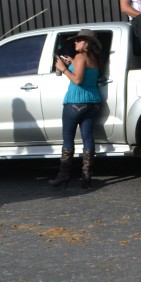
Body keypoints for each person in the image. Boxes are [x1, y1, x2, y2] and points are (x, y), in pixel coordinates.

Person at [51, 29, 104, 189]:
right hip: (92, 103)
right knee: (88, 138)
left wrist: (63, 68)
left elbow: (78, 80)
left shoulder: (81, 57)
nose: (75, 42)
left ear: (87, 43)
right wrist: (71, 62)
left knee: (68, 139)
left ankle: (63, 176)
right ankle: (86, 177)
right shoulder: (93, 58)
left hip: (75, 103)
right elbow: (85, 74)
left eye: (79, 40)